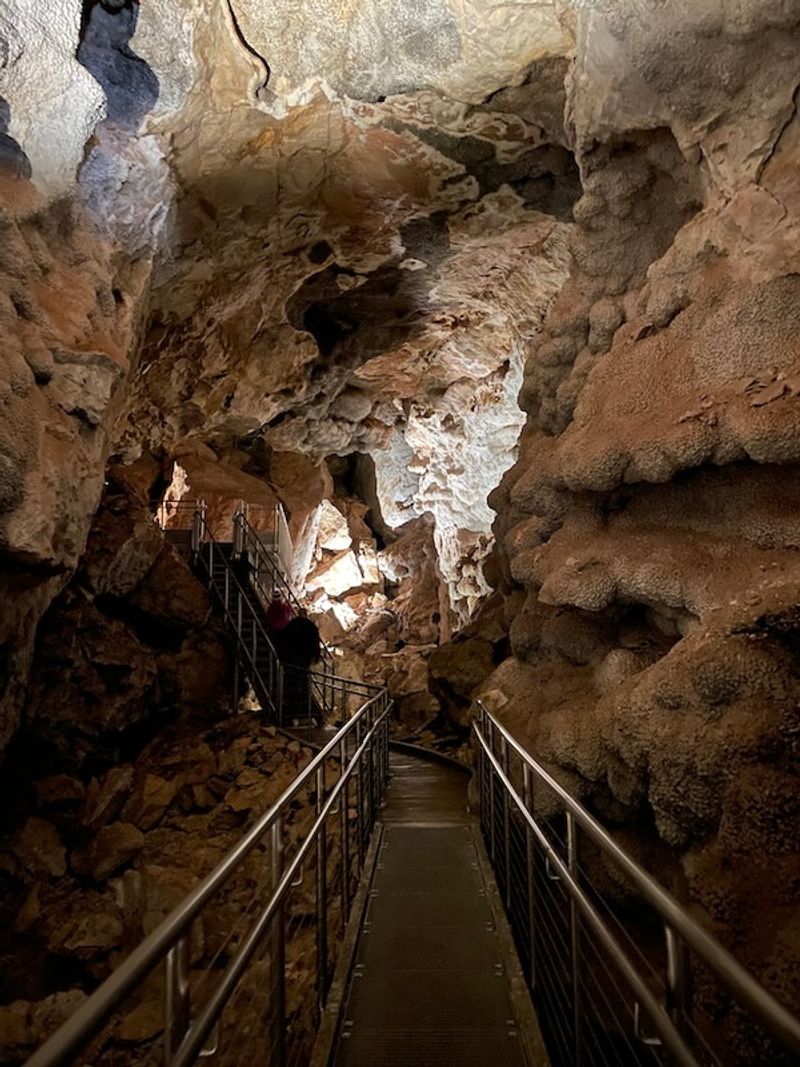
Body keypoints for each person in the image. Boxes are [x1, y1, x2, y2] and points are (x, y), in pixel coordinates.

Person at [273, 609, 322, 723]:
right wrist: (315, 656)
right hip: (305, 659)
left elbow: (283, 639)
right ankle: (303, 710)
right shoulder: (311, 626)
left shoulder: (292, 625)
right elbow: (315, 642)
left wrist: (282, 656)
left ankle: (291, 711)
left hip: (292, 658)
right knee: (303, 683)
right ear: (306, 615)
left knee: (291, 683)